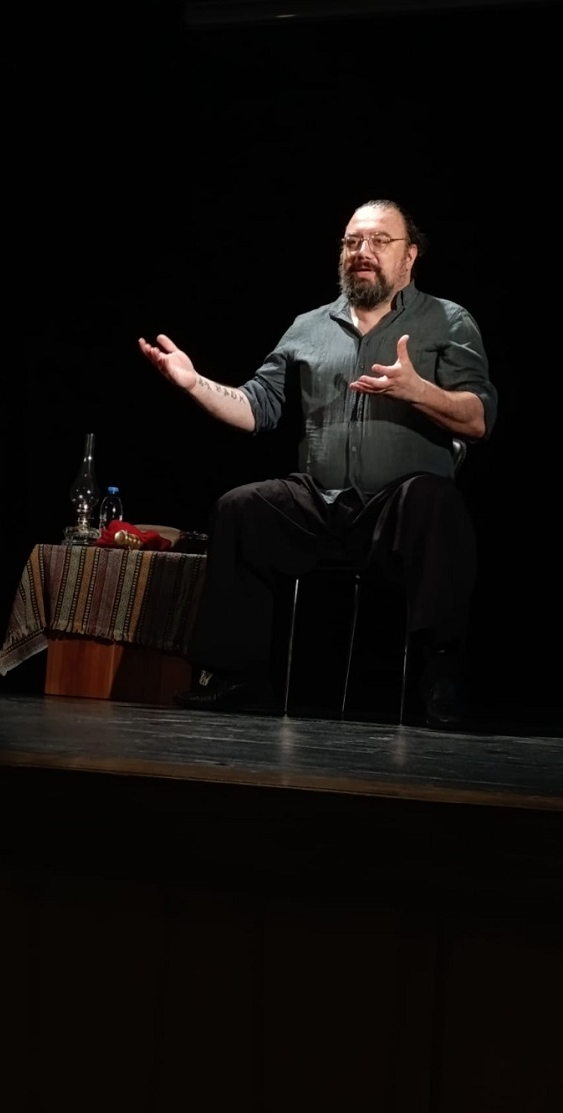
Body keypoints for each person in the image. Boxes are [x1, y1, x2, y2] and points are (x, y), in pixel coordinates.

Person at [138, 198, 497, 729]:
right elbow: (257, 408)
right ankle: (238, 678)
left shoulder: (447, 320)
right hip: (320, 504)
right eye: (353, 241)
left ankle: (441, 672)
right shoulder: (307, 327)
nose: (363, 251)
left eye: (379, 241)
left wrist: (419, 390)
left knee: (435, 500)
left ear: (410, 256)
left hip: (397, 510)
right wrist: (195, 384)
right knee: (241, 507)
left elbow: (478, 419)